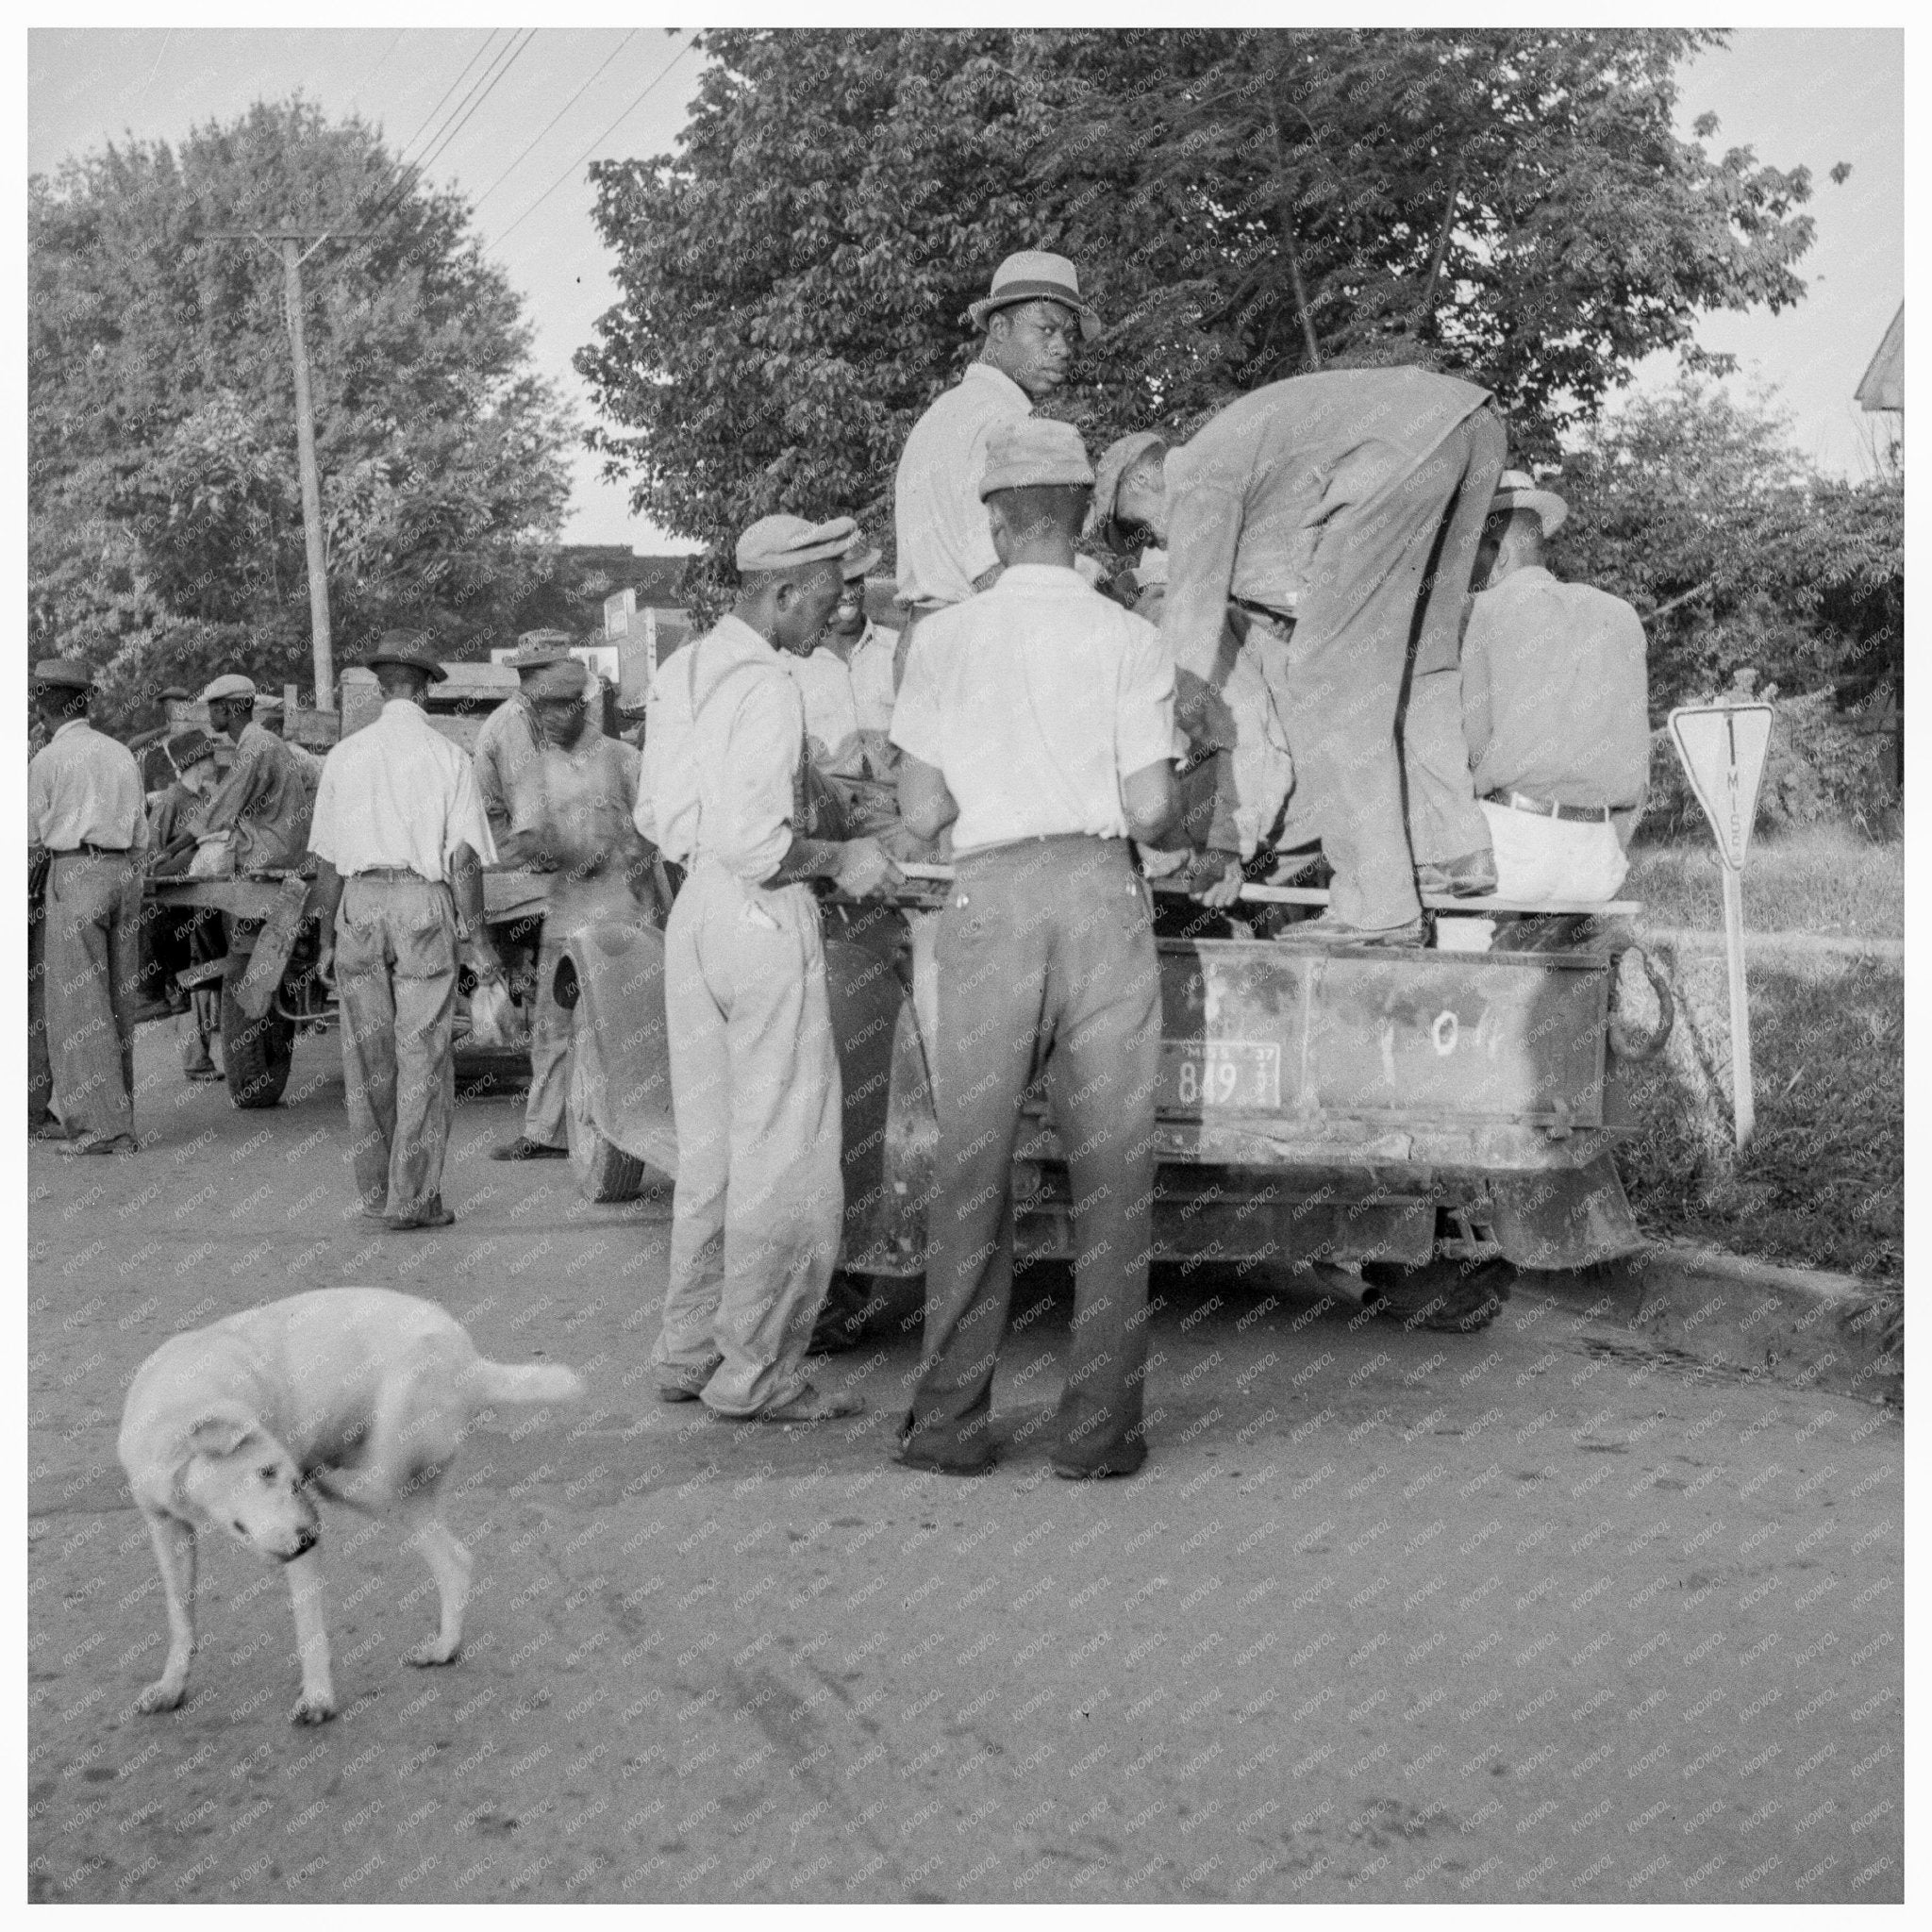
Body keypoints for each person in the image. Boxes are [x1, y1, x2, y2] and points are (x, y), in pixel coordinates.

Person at [891, 418, 1182, 1479]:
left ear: (1000, 521)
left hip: (991, 898)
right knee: (1112, 1171)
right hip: (1102, 897)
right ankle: (1097, 1432)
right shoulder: (1130, 638)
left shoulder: (946, 638)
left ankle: (950, 1423)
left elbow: (919, 806)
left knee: (973, 1168)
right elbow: (1151, 806)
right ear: (1075, 517)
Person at [635, 513, 905, 1424]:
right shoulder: (770, 684)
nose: (828, 620)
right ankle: (760, 1372)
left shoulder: (685, 668)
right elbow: (760, 840)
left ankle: (688, 1348)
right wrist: (846, 861)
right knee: (786, 1154)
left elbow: (661, 814)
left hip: (695, 912)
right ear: (783, 591)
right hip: (758, 913)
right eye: (824, 600)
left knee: (709, 1152)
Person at [1103, 366, 1507, 943]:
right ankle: (1452, 851)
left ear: (1143, 480)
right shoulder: (1254, 458)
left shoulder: (1195, 475)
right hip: (1470, 424)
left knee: (1328, 677)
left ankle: (1377, 906)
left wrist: (1156, 760)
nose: (1157, 546)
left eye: (1138, 529)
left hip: (1405, 447)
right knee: (1422, 662)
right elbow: (1305, 587)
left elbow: (1189, 645)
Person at [308, 635, 506, 1231]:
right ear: (424, 690)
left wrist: (323, 941)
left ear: (381, 689)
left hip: (360, 904)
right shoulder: (449, 758)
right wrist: (480, 941)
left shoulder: (344, 756)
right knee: (422, 1055)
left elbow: (326, 862)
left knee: (367, 1055)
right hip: (421, 904)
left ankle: (376, 1194)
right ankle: (413, 1199)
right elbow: (464, 862)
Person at [892, 251, 1101, 683]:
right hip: (975, 650)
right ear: (1000, 328)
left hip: (921, 646)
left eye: (1069, 334)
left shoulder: (942, 412)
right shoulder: (1004, 425)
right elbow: (995, 571)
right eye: (1046, 329)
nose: (1063, 348)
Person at [489, 655, 653, 1161]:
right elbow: (517, 838)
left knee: (625, 1030)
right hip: (564, 917)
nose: (551, 719)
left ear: (583, 704)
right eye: (542, 709)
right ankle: (545, 1131)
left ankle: (637, 1133)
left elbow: (655, 832)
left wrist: (631, 852)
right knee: (554, 1027)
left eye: (562, 707)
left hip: (622, 921)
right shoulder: (531, 769)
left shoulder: (622, 759)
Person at [1460, 471, 1651, 903]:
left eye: (1471, 555)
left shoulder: (1489, 610)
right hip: (1598, 861)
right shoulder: (1620, 614)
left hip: (1515, 849)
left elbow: (1468, 750)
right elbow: (1640, 765)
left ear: (1501, 554)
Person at [27, 658, 150, 1155]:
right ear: (86, 703)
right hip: (124, 873)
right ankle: (119, 1122)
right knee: (119, 1002)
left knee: (77, 1007)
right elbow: (142, 834)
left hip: (75, 871)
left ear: (43, 708)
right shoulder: (121, 753)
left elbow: (29, 836)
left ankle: (99, 1128)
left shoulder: (47, 762)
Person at [143, 728, 226, 1080]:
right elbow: (152, 859)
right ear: (195, 762)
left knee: (203, 977)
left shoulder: (207, 797)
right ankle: (196, 1061)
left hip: (201, 905)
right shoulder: (170, 801)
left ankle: (201, 1058)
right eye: (209, 757)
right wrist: (193, 851)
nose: (214, 763)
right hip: (176, 909)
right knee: (188, 980)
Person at [780, 539, 900, 771]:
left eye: (855, 581)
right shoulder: (793, 664)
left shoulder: (897, 649)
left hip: (897, 800)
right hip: (828, 804)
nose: (848, 593)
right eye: (837, 584)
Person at [194, 673, 315, 873]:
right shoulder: (259, 739)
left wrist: (171, 852)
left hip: (274, 849)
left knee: (207, 851)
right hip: (284, 844)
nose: (209, 716)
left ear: (224, 709)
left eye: (212, 710)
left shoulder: (256, 745)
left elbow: (221, 808)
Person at [474, 630, 575, 842]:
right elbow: (528, 813)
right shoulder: (513, 722)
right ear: (540, 677)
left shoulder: (531, 715)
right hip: (510, 852)